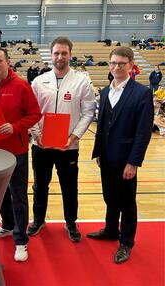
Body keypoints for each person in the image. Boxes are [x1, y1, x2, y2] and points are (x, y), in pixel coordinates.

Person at [87, 47, 154, 264]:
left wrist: (133, 162)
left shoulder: (142, 93)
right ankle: (110, 230)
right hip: (106, 157)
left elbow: (143, 132)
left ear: (131, 65)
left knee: (127, 202)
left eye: (122, 63)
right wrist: (98, 152)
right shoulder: (106, 91)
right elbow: (102, 125)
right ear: (109, 64)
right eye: (113, 63)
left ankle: (126, 242)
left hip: (126, 159)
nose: (117, 67)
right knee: (110, 197)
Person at [28, 37, 95, 243]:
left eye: (64, 53)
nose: (60, 57)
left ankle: (71, 222)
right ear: (51, 55)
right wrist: (37, 135)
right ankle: (38, 220)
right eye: (56, 53)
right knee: (40, 185)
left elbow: (88, 112)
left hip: (69, 146)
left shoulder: (82, 81)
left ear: (70, 55)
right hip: (41, 145)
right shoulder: (39, 81)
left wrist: (73, 137)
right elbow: (31, 112)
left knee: (69, 186)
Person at [0, 47, 41, 262]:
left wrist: (14, 127)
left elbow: (35, 114)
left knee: (18, 196)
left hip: (17, 152)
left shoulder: (22, 86)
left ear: (7, 62)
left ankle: (21, 240)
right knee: (0, 194)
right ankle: (6, 225)